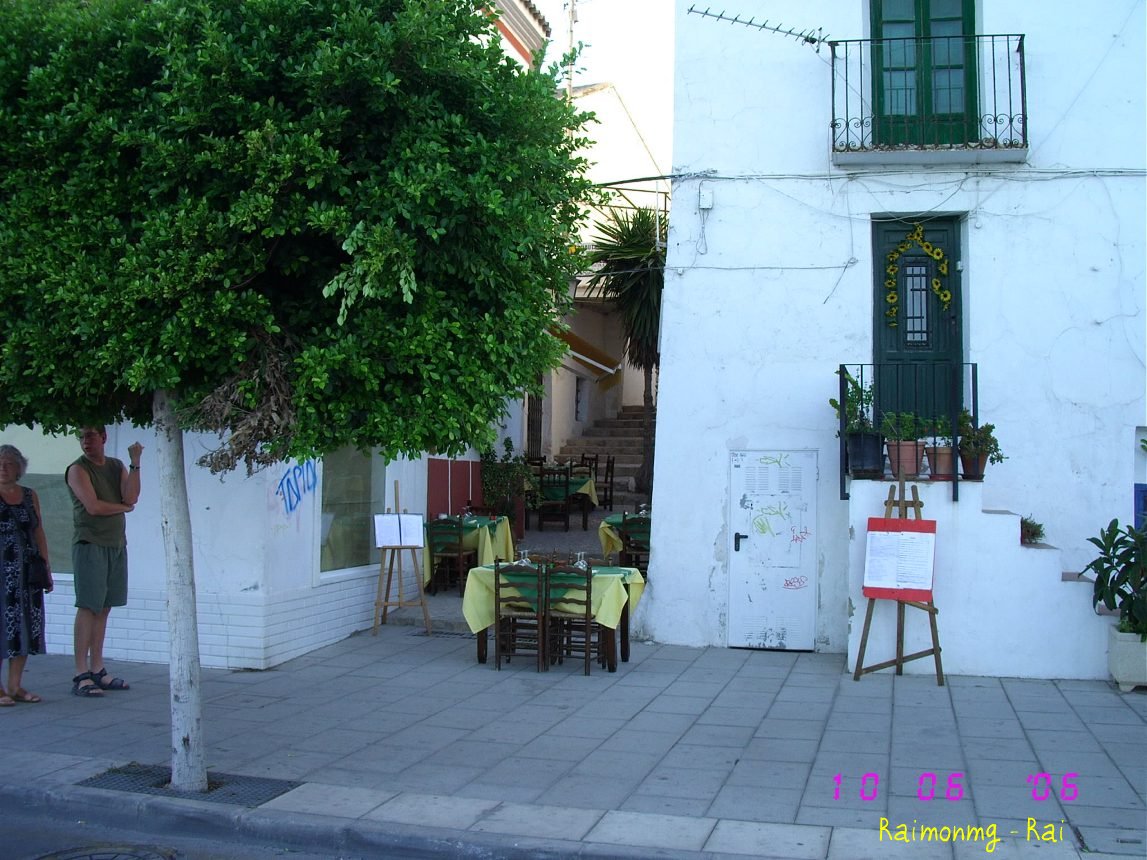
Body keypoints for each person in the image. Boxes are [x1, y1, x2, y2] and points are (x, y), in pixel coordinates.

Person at [65, 426, 142, 697]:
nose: (86, 442)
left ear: (103, 437)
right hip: (90, 545)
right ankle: (80, 672)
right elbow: (94, 507)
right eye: (82, 437)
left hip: (116, 544)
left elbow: (131, 496)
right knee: (88, 606)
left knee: (105, 607)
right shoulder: (78, 469)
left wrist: (135, 463)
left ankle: (97, 668)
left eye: (91, 436)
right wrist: (123, 509)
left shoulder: (116, 465)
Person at [0, 444, 52, 706]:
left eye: (9, 462)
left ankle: (15, 685)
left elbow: (38, 530)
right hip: (1, 573)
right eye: (0, 462)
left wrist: (46, 567)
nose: (3, 467)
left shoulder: (29, 495)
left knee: (24, 626)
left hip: (27, 572)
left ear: (19, 468)